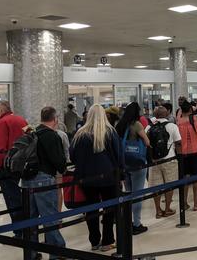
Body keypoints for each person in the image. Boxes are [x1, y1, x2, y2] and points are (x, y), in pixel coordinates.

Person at [71, 104, 123, 252]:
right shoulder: (110, 132)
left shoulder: (80, 134)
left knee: (91, 210)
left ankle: (94, 241)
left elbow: (73, 156)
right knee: (109, 210)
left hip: (87, 179)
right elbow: (118, 155)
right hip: (108, 177)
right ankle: (107, 241)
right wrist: (121, 174)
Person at [21, 107, 67, 260]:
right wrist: (64, 169)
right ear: (55, 119)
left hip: (27, 181)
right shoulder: (52, 136)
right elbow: (59, 161)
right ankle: (58, 253)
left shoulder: (32, 133)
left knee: (30, 220)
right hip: (44, 180)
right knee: (49, 218)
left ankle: (31, 253)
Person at [0, 100, 27, 227]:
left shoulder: (1, 123)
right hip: (22, 164)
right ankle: (28, 226)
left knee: (12, 199)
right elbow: (31, 137)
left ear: (0, 110)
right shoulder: (22, 120)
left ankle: (19, 229)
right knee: (21, 197)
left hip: (7, 166)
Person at [115, 102, 150, 235]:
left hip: (125, 164)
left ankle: (128, 221)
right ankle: (137, 223)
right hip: (137, 163)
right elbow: (146, 141)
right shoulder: (136, 124)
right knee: (137, 195)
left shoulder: (119, 125)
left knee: (128, 193)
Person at [147, 106, 181, 219]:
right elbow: (178, 142)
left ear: (155, 115)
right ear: (167, 115)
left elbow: (146, 143)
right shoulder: (172, 126)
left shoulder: (149, 127)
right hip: (169, 159)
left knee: (156, 187)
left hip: (154, 161)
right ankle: (167, 209)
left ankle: (158, 210)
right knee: (169, 185)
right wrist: (180, 157)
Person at [177, 100, 197, 211]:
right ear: (191, 109)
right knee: (196, 178)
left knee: (185, 178)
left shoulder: (178, 122)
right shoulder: (196, 119)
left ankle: (184, 203)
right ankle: (195, 204)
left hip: (183, 153)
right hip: (196, 152)